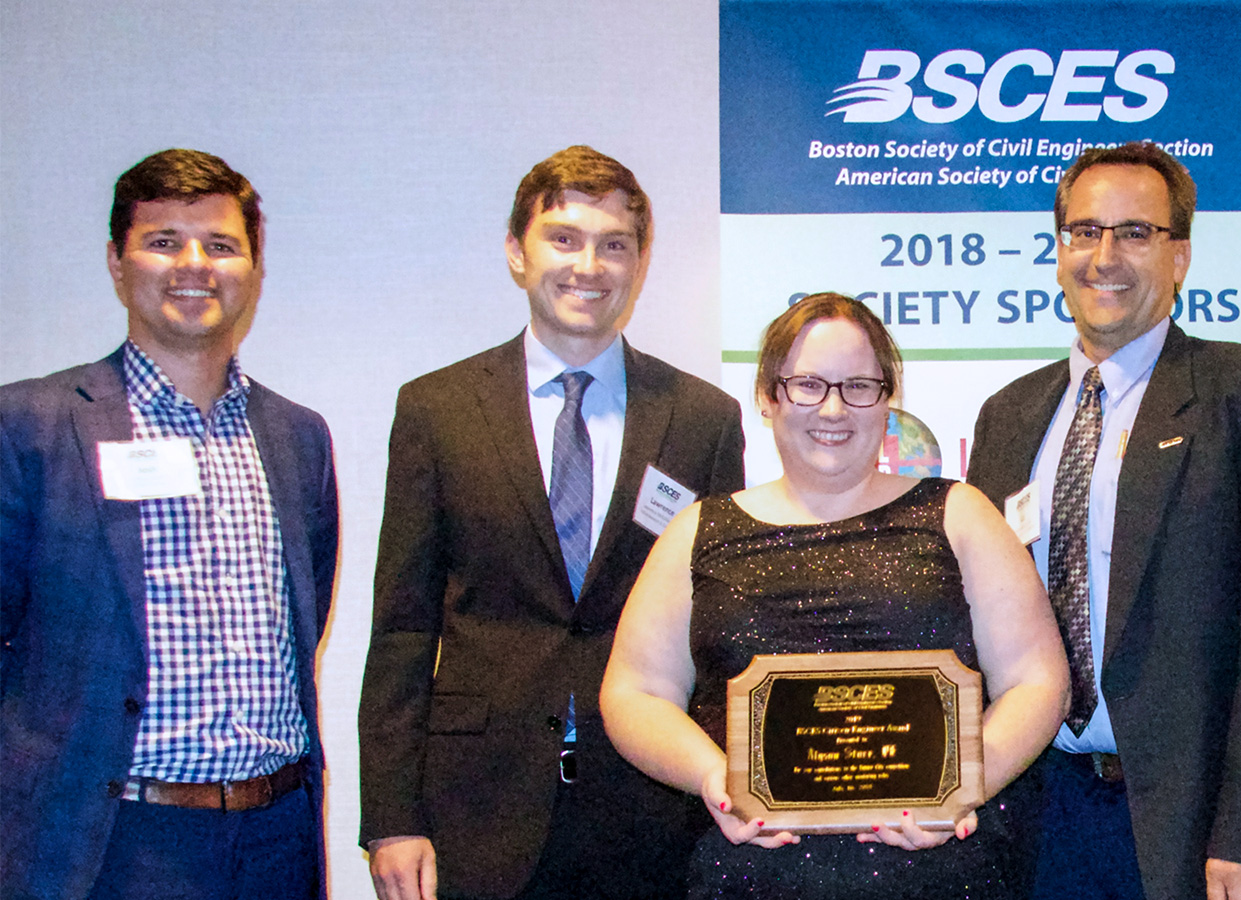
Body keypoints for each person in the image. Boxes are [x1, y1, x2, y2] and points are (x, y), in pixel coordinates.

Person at [359, 146, 746, 900]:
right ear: (516, 251)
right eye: (563, 238)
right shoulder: (436, 411)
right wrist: (392, 818)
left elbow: (720, 627)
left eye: (614, 244)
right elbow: (403, 627)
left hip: (650, 804)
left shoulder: (703, 419)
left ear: (639, 261)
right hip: (476, 805)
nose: (588, 265)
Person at [600, 292, 1069, 899]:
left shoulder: (959, 515)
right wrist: (715, 777)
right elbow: (634, 692)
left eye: (858, 385)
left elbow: (1039, 681)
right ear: (770, 398)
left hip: (937, 875)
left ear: (886, 399)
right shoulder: (696, 532)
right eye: (808, 384)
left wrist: (965, 786)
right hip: (748, 877)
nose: (833, 407)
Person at [965, 142, 1241, 900]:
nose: (1105, 256)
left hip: (1199, 827)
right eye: (1084, 231)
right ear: (1060, 247)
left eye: (1136, 232)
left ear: (1181, 255)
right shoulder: (1007, 418)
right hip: (1039, 815)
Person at [0, 149, 339, 900]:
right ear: (119, 264)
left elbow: (300, 625)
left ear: (253, 268)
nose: (195, 264)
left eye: (221, 245)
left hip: (274, 836)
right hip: (113, 842)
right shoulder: (30, 425)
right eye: (163, 242)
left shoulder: (297, 437)